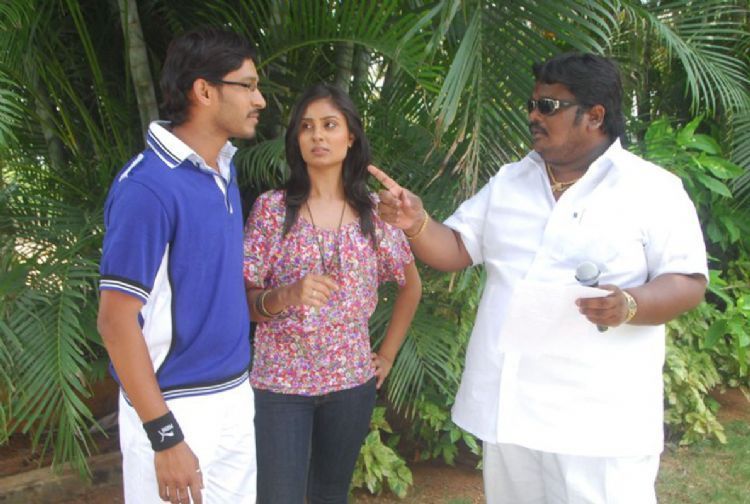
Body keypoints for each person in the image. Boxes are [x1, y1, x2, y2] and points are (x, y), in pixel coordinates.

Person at [370, 53, 708, 503]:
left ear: (595, 115)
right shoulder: (511, 181)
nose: (533, 115)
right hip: (511, 410)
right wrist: (415, 223)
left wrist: (630, 304)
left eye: (548, 106)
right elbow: (456, 248)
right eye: (531, 105)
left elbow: (687, 280)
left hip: (600, 420)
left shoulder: (652, 188)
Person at [97, 27, 265, 504]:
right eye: (248, 86)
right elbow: (115, 321)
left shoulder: (223, 168)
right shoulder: (147, 188)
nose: (260, 100)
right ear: (204, 91)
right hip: (175, 406)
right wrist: (164, 436)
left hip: (234, 394)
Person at [243, 83, 421, 504]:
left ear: (350, 137)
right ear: (296, 139)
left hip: (350, 384)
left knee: (329, 495)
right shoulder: (273, 209)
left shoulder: (375, 213)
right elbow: (244, 303)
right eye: (306, 127)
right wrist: (286, 295)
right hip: (281, 385)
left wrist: (387, 356)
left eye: (329, 125)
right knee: (278, 497)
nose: (317, 136)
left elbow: (411, 286)